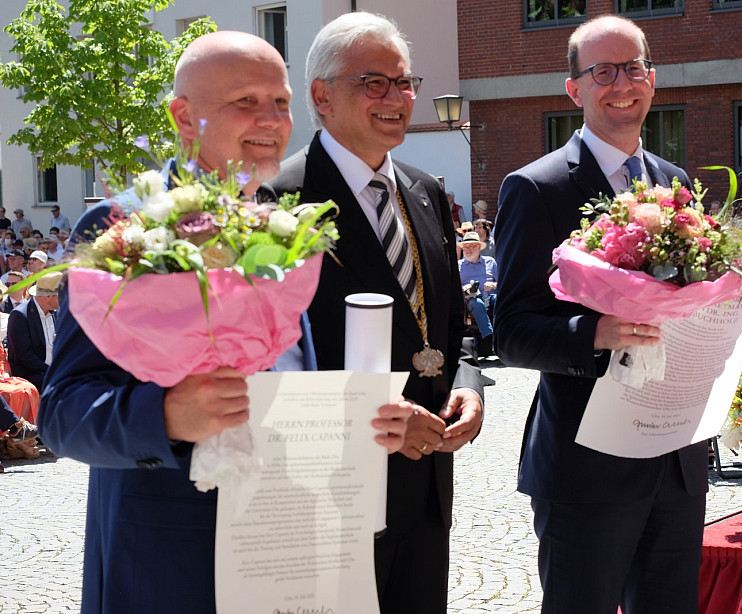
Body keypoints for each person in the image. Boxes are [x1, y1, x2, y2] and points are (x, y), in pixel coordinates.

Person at [37, 31, 411, 613]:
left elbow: (285, 376)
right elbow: (62, 416)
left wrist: (358, 421)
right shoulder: (122, 228)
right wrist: (166, 416)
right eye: (245, 101)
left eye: (281, 102)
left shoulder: (282, 228)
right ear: (184, 117)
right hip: (171, 566)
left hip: (287, 551)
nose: (272, 120)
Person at [268, 12, 484, 614]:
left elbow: (452, 327)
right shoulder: (277, 199)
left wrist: (468, 387)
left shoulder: (426, 191)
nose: (398, 98)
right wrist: (374, 416)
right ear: (322, 96)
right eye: (375, 83)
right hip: (331, 490)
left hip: (427, 487)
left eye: (405, 81)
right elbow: (270, 367)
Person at [494, 14, 705, 614]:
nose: (622, 83)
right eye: (603, 71)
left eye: (633, 68)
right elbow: (511, 332)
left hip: (676, 461)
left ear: (652, 79)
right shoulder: (536, 188)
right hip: (586, 467)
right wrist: (595, 333)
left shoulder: (675, 182)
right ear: (574, 89)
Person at [7, 271, 61, 391]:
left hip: (52, 370)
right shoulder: (20, 315)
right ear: (48, 297)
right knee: (64, 385)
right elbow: (24, 356)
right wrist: (52, 371)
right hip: (30, 374)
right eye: (61, 295)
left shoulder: (56, 313)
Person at [457, 231, 497, 358]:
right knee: (477, 303)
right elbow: (453, 289)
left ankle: (504, 335)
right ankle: (489, 337)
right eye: (465, 247)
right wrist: (464, 288)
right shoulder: (458, 266)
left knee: (499, 300)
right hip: (471, 300)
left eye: (471, 246)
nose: (468, 250)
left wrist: (493, 285)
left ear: (479, 247)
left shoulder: (490, 262)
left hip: (490, 297)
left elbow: (502, 284)